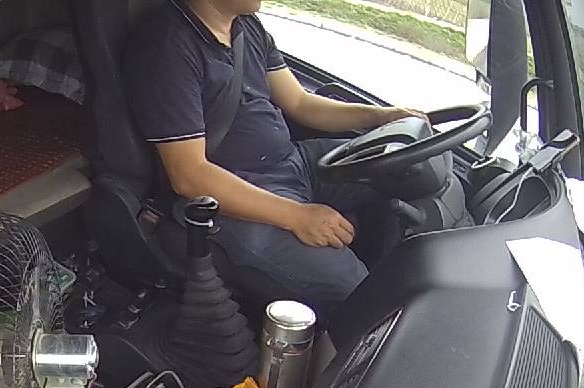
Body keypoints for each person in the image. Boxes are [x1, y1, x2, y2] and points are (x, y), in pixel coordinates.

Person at [124, 0, 425, 318]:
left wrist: (379, 117)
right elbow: (189, 175)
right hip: (234, 195)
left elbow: (300, 103)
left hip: (294, 162)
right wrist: (297, 216)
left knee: (406, 170)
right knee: (358, 293)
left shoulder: (246, 26)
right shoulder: (167, 48)